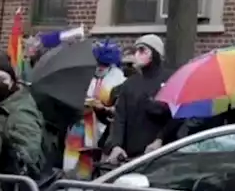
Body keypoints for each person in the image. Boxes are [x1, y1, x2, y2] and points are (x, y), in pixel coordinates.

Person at [103, 34, 176, 164]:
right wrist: (116, 145)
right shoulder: (129, 84)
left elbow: (176, 115)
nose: (137, 54)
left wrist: (160, 139)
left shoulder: (170, 79)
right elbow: (120, 117)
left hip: (160, 154)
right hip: (129, 156)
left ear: (155, 53)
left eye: (142, 50)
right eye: (136, 50)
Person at [63, 41, 127, 178]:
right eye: (98, 63)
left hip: (103, 128)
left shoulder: (118, 79)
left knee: (94, 158)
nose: (100, 67)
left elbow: (120, 108)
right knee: (75, 156)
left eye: (104, 64)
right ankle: (74, 177)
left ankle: (89, 179)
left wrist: (104, 108)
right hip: (81, 123)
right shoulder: (86, 74)